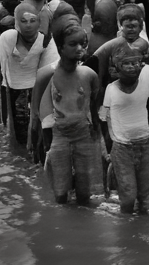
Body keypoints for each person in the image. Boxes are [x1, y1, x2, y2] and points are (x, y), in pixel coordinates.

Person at [31, 20, 104, 205]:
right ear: (60, 47)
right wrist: (34, 138)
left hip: (83, 134)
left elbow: (94, 107)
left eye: (82, 44)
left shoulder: (89, 74)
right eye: (73, 44)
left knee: (84, 193)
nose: (79, 48)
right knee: (60, 193)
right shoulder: (46, 74)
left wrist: (98, 136)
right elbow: (36, 111)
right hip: (59, 135)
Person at [100, 43, 149, 214]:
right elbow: (105, 118)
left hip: (145, 144)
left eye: (134, 63)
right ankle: (126, 226)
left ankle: (144, 228)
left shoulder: (148, 82)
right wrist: (107, 149)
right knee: (128, 198)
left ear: (140, 65)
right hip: (122, 148)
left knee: (148, 201)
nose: (131, 67)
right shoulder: (111, 89)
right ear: (116, 68)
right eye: (126, 64)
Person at [0, 3, 59, 149]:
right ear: (16, 23)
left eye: (32, 21)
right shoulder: (8, 38)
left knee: (37, 130)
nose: (28, 25)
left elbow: (48, 70)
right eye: (23, 21)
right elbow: (4, 71)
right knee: (17, 133)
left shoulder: (45, 40)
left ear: (39, 22)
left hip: (36, 88)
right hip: (14, 89)